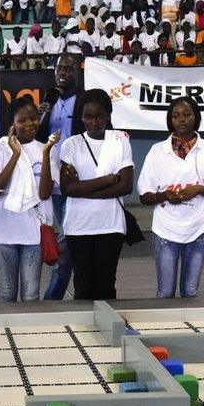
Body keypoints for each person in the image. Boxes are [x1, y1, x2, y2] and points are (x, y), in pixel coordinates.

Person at [138, 97, 204, 299]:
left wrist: (200, 189)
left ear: (196, 117)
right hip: (166, 230)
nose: (181, 120)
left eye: (187, 114)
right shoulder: (157, 152)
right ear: (170, 120)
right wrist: (164, 195)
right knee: (165, 292)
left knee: (190, 292)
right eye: (175, 116)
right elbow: (144, 196)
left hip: (198, 230)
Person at [58, 88, 134, 300]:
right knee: (83, 285)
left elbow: (126, 185)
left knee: (106, 285)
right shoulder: (71, 145)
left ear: (108, 115)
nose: (94, 122)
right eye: (88, 117)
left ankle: (108, 332)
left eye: (100, 116)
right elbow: (68, 189)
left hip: (111, 225)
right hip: (78, 227)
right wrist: (109, 179)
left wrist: (84, 189)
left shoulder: (120, 141)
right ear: (81, 117)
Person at [0, 97, 61, 302]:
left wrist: (45, 154)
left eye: (34, 118)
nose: (30, 124)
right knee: (7, 294)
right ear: (13, 123)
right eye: (22, 120)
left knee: (30, 295)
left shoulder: (48, 149)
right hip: (5, 232)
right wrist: (15, 154)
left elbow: (45, 193)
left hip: (33, 235)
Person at [35, 53, 81, 301]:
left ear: (77, 72)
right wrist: (42, 115)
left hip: (74, 184)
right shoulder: (48, 101)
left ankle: (52, 299)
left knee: (64, 245)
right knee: (55, 242)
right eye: (59, 68)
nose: (62, 73)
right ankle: (59, 292)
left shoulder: (84, 101)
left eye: (68, 68)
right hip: (49, 182)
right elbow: (37, 138)